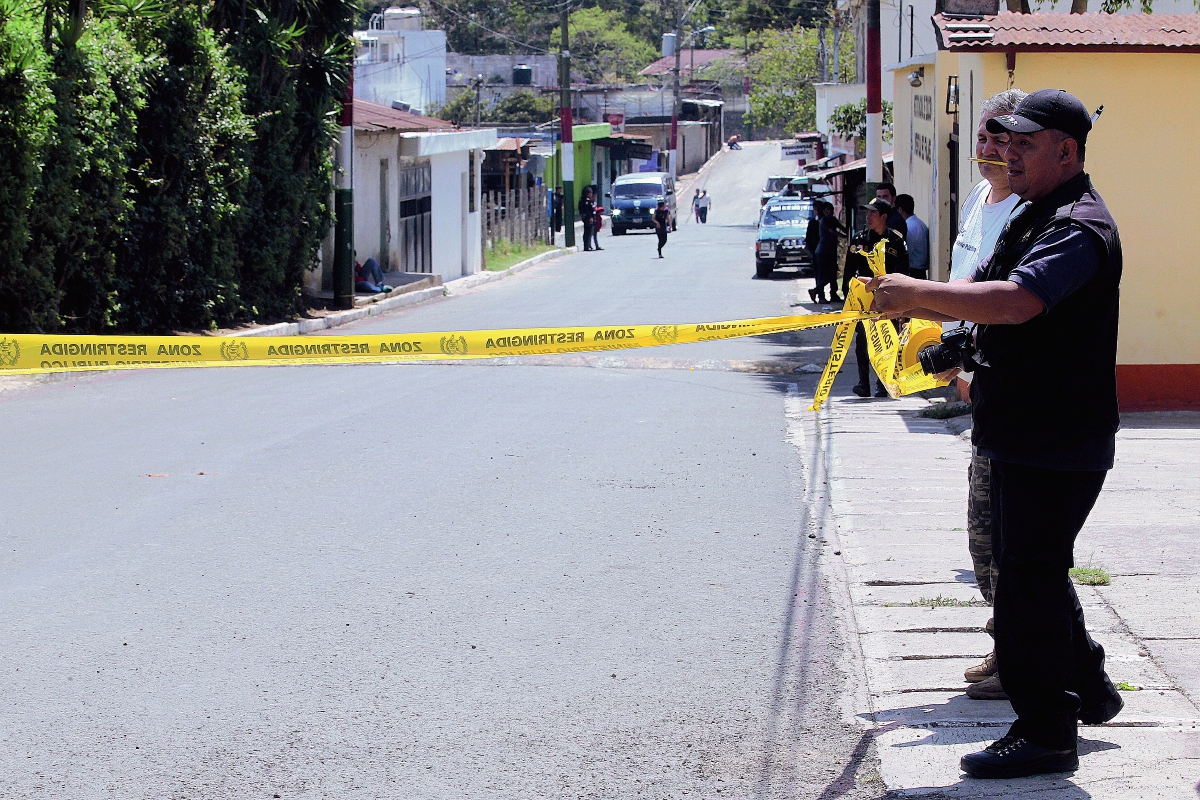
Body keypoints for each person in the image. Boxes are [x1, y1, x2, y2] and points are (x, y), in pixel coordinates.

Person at [866, 89, 1125, 779]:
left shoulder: (1077, 226)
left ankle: (1045, 731)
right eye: (1004, 140)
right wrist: (936, 332)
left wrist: (916, 291)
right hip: (1016, 426)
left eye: (1024, 144)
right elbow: (985, 291)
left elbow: (1017, 301)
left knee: (1025, 585)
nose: (1007, 153)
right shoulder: (1031, 214)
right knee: (1032, 573)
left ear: (1066, 151)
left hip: (1056, 436)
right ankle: (1088, 689)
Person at [946, 88, 1028, 704]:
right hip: (979, 385)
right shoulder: (978, 198)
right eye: (984, 135)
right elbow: (962, 279)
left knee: (1009, 536)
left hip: (1018, 393)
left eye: (1003, 138)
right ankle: (1015, 645)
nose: (990, 148)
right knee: (984, 536)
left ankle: (1034, 659)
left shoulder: (1031, 212)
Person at [841, 197, 907, 396]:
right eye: (867, 213)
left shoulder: (896, 241)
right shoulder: (859, 240)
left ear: (884, 217)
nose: (868, 217)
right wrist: (848, 298)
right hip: (864, 301)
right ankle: (864, 383)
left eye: (873, 213)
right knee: (862, 342)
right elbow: (849, 272)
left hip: (888, 300)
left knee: (886, 341)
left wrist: (904, 305)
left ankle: (882, 383)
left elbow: (904, 273)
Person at [809, 201, 846, 304]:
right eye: (827, 210)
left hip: (831, 251)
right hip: (823, 252)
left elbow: (841, 227)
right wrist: (844, 237)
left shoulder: (833, 220)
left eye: (831, 210)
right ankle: (818, 293)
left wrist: (849, 233)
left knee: (833, 274)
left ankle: (833, 295)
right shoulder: (824, 221)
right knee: (825, 275)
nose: (829, 212)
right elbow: (833, 231)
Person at [894, 194, 929, 279]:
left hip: (913, 271)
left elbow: (908, 252)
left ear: (900, 210)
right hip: (921, 270)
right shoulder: (920, 224)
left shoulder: (908, 227)